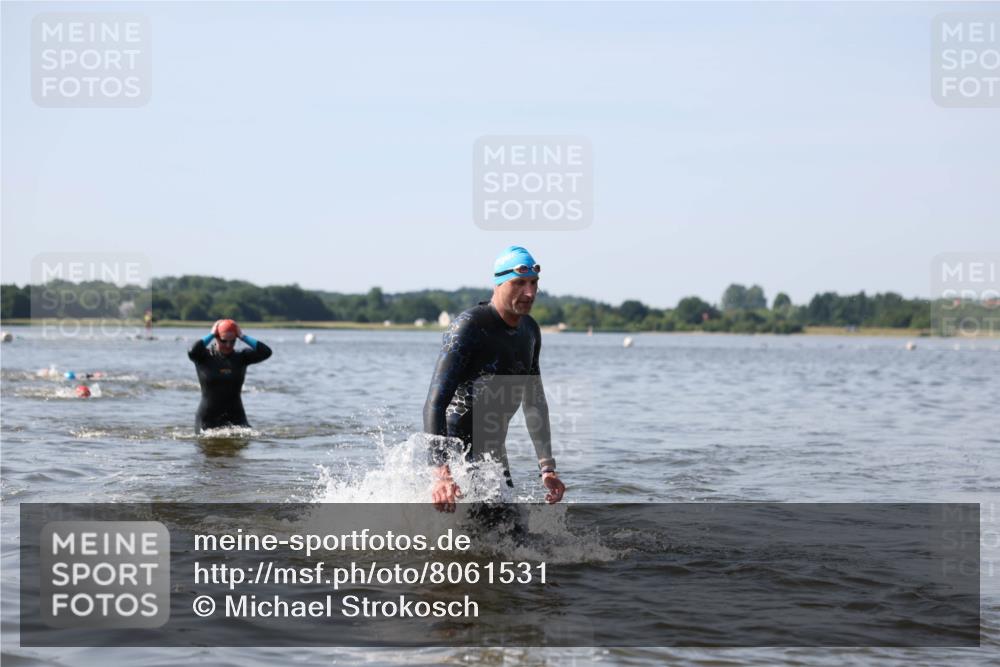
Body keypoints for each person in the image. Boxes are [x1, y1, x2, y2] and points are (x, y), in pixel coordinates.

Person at [423, 246, 565, 512]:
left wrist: (547, 467)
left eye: (534, 283)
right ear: (499, 283)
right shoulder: (469, 326)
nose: (530, 293)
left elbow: (534, 402)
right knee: (496, 539)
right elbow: (435, 403)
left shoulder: (530, 330)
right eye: (519, 283)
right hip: (456, 453)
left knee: (514, 535)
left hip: (494, 454)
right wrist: (441, 473)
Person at [188, 319, 272, 432]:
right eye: (224, 341)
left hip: (236, 417)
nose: (228, 345)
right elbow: (192, 350)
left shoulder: (242, 357)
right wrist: (211, 334)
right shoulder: (204, 357)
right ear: (217, 338)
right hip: (208, 418)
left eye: (233, 341)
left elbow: (266, 352)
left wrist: (242, 336)